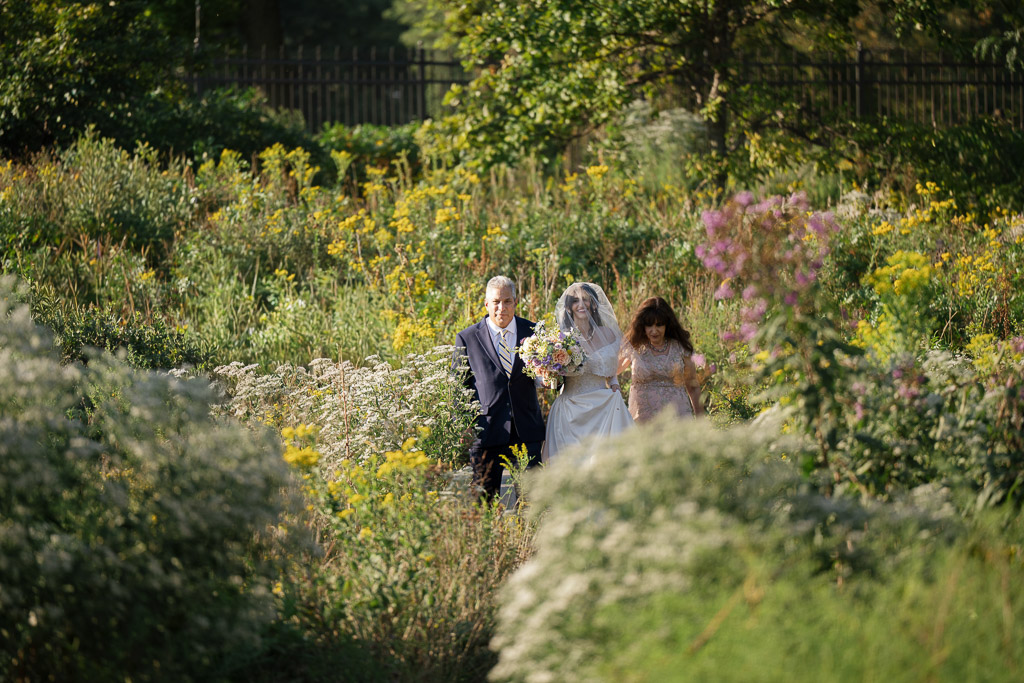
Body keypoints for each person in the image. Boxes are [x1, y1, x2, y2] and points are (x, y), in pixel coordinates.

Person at [453, 276, 546, 499]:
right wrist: (463, 425)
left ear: (515, 302)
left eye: (507, 301)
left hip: (526, 430)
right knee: (484, 505)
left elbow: (549, 376)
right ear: (486, 304)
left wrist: (550, 379)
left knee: (531, 503)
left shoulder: (534, 332)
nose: (501, 308)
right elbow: (457, 387)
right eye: (496, 302)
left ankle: (527, 536)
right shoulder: (467, 338)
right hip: (486, 433)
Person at [543, 282, 634, 463]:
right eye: (576, 300)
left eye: (586, 300)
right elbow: (554, 376)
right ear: (569, 306)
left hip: (603, 406)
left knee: (606, 462)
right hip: (571, 410)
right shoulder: (561, 338)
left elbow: (609, 364)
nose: (581, 305)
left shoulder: (607, 334)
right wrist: (548, 374)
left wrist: (614, 382)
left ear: (593, 304)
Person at [618, 296, 705, 422]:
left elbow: (693, 386)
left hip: (678, 418)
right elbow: (612, 371)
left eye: (659, 325)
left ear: (667, 324)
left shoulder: (680, 347)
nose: (654, 331)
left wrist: (701, 421)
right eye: (649, 325)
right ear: (642, 326)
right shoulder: (634, 347)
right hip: (643, 419)